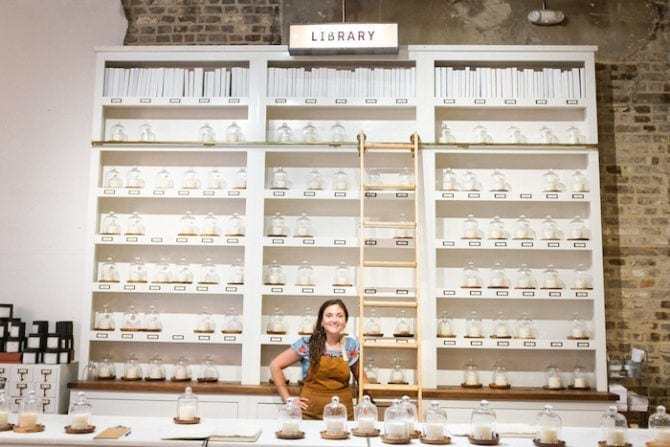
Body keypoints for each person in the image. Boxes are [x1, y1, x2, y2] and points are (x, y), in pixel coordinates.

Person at [269, 298, 360, 420]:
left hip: (342, 414)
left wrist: (367, 402)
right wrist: (288, 399)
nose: (334, 320)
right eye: (329, 316)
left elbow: (361, 379)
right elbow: (275, 365)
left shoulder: (351, 345)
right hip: (310, 413)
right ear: (321, 321)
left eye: (339, 316)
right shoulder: (308, 344)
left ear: (345, 321)